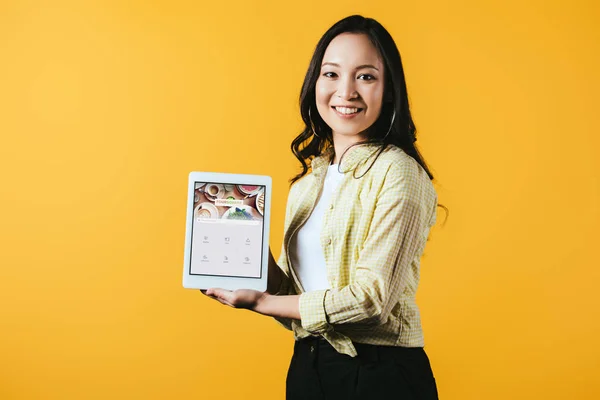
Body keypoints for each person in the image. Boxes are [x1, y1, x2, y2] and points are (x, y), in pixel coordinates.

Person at [203, 15, 443, 400]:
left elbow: (370, 301)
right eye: (331, 74)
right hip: (309, 366)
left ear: (390, 90)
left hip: (381, 374)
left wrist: (262, 302)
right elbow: (299, 295)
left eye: (365, 77)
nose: (345, 91)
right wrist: (249, 264)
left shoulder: (399, 173)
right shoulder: (309, 181)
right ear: (315, 83)